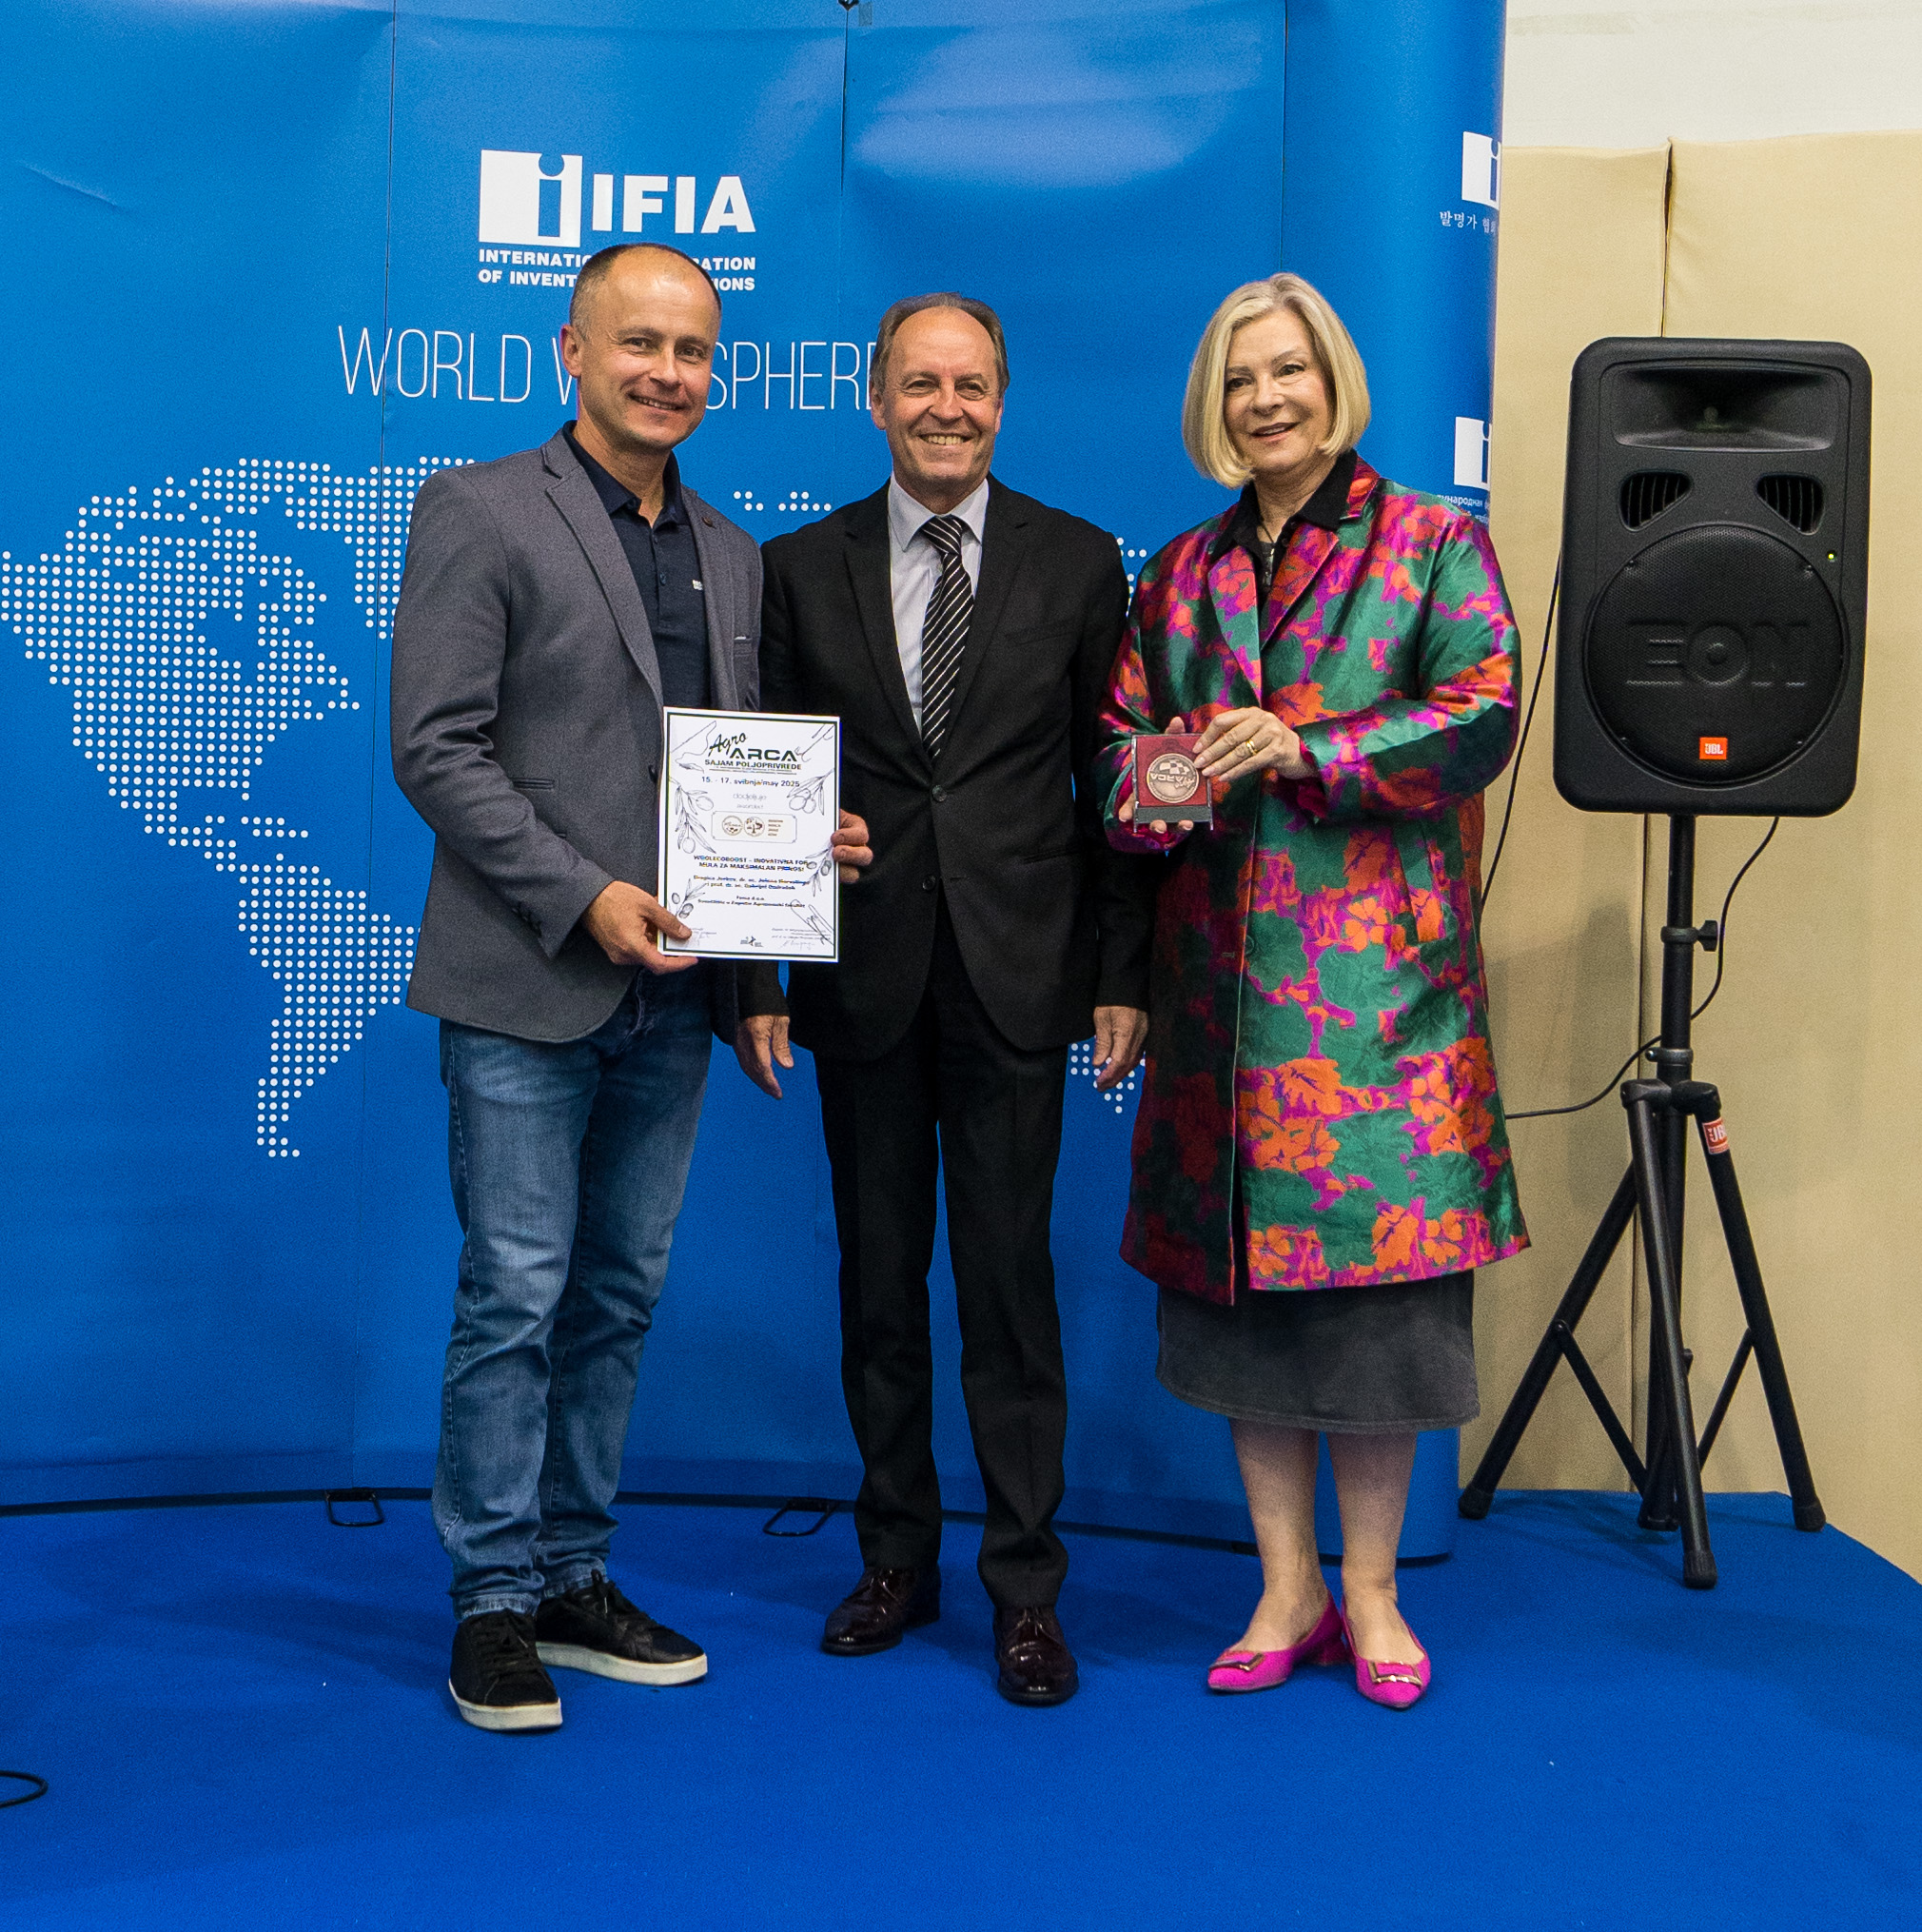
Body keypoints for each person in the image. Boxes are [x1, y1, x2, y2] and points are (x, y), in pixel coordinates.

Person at [391, 242, 872, 1732]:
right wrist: (581, 895)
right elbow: (436, 746)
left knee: (615, 1296)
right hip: (525, 981)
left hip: (675, 1000)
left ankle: (571, 1574)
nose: (669, 372)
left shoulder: (732, 550)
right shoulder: (479, 506)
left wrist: (798, 858)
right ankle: (490, 1602)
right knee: (514, 1293)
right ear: (573, 351)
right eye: (640, 343)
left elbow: (728, 771)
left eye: (693, 351)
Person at [1095, 272, 1527, 1710]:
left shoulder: (1432, 543)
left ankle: (1375, 1590)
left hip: (1381, 1009)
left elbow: (1482, 714)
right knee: (1248, 1325)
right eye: (1239, 378)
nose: (1265, 398)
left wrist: (1304, 747)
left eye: (1287, 370)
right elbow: (1119, 749)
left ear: (1333, 379)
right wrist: (1163, 775)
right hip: (1219, 1002)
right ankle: (1285, 1586)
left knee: (1377, 1322)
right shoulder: (1178, 571)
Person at [735, 293, 1156, 1706]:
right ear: (875, 400)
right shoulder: (800, 569)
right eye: (920, 384)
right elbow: (760, 784)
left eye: (971, 385)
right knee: (878, 1289)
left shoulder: (1079, 562)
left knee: (1010, 1293)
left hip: (1020, 978)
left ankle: (1025, 1588)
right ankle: (894, 1561)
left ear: (1002, 401)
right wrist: (756, 974)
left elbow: (1112, 783)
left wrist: (1122, 972)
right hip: (859, 978)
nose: (946, 408)